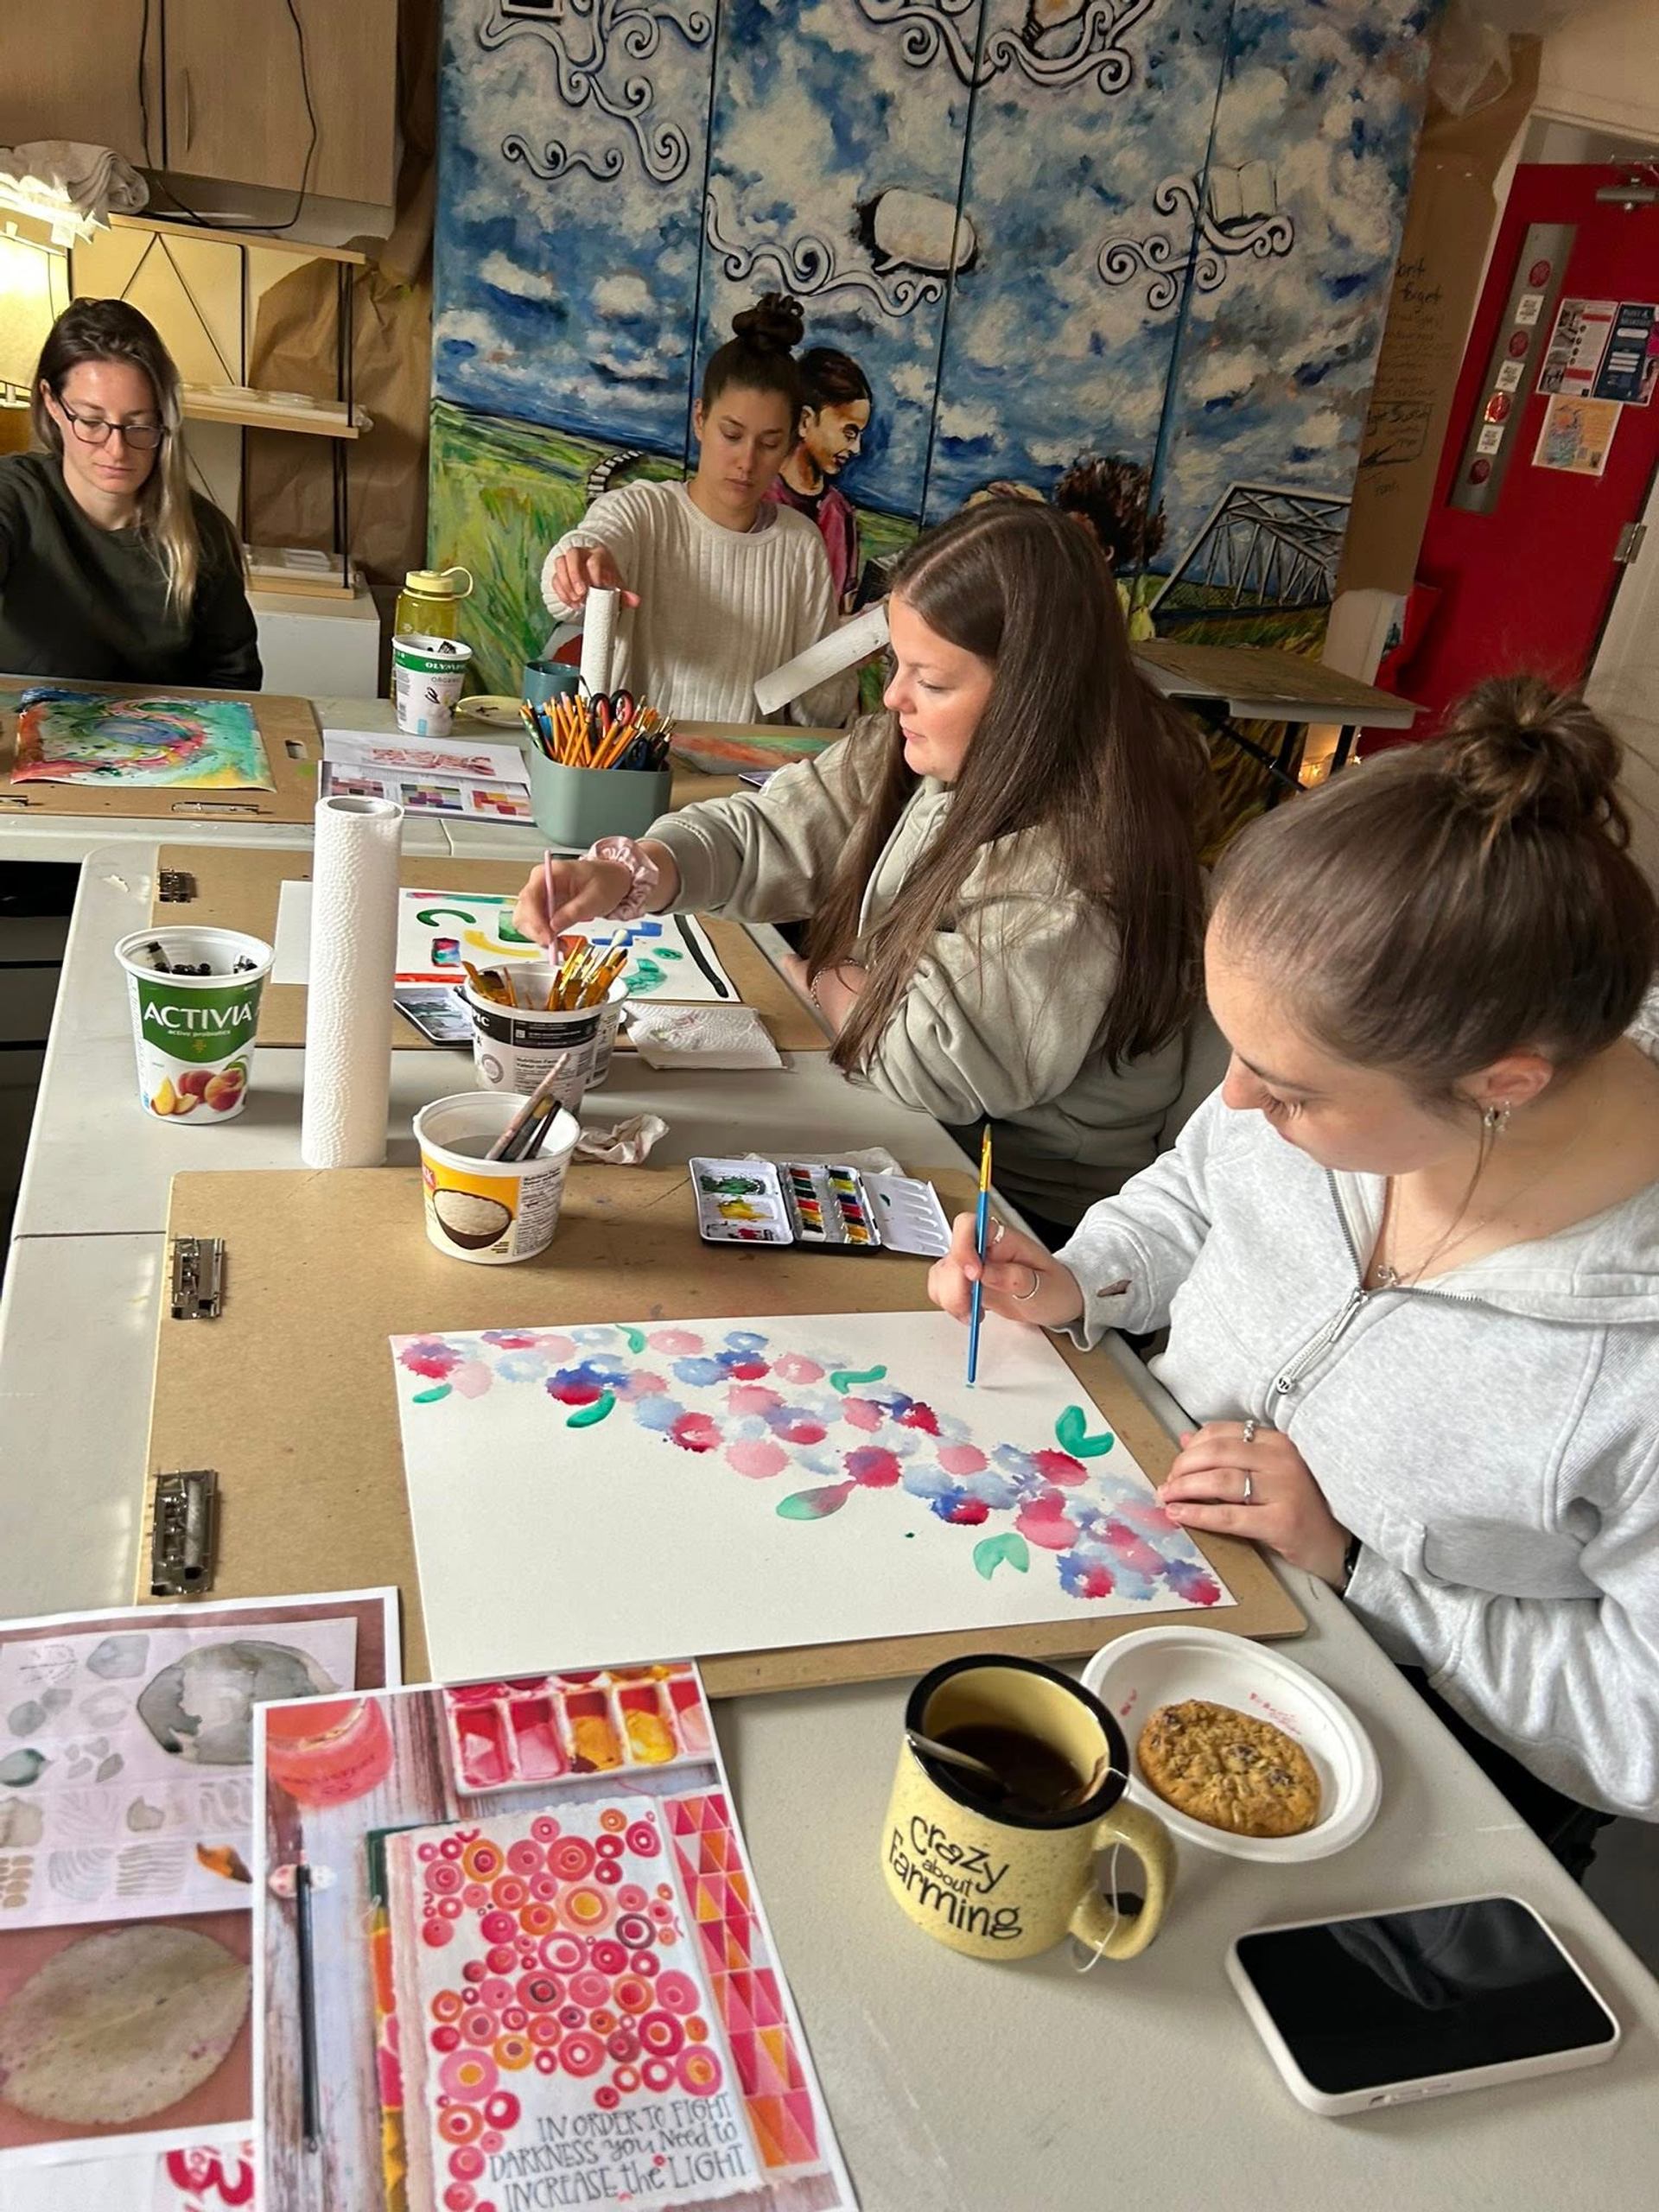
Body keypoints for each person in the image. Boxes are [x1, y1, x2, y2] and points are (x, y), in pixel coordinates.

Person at [929, 677, 1659, 1869]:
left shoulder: (1636, 1362)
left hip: (1406, 1755)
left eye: (1290, 1092)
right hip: (1150, 1573)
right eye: (1239, 1054)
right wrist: (1078, 1276)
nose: (1233, 1101)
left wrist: (1362, 1568)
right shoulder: (1325, 1067)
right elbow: (1196, 1188)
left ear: (1502, 1086)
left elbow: (1641, 1727)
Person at [516, 499, 1212, 1234]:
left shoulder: (1077, 871)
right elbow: (770, 830)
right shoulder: (922, 752)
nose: (894, 696)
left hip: (1021, 1222)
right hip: (920, 1145)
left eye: (930, 681)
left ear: (1030, 698)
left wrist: (814, 976)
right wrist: (635, 869)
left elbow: (924, 1061)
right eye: (895, 663)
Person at [540, 295, 853, 726]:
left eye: (769, 443)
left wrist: (847, 650)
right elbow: (580, 567)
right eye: (732, 435)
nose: (747, 461)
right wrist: (581, 568)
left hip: (747, 768)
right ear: (701, 420)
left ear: (789, 445)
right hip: (635, 759)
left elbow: (818, 714)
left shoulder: (800, 544)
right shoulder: (643, 511)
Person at [0, 299, 260, 687]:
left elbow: (233, 681)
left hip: (164, 725)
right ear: (52, 403)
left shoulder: (204, 532)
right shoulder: (14, 495)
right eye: (92, 421)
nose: (117, 451)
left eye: (140, 425)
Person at [764, 346, 872, 614]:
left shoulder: (841, 514)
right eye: (849, 432)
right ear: (805, 421)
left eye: (859, 435)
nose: (856, 448)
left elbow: (840, 611)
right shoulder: (758, 498)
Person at [1053, 454, 1166, 642]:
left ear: (1105, 553)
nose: (1056, 541)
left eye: (1070, 537)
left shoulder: (1124, 620)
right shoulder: (1059, 592)